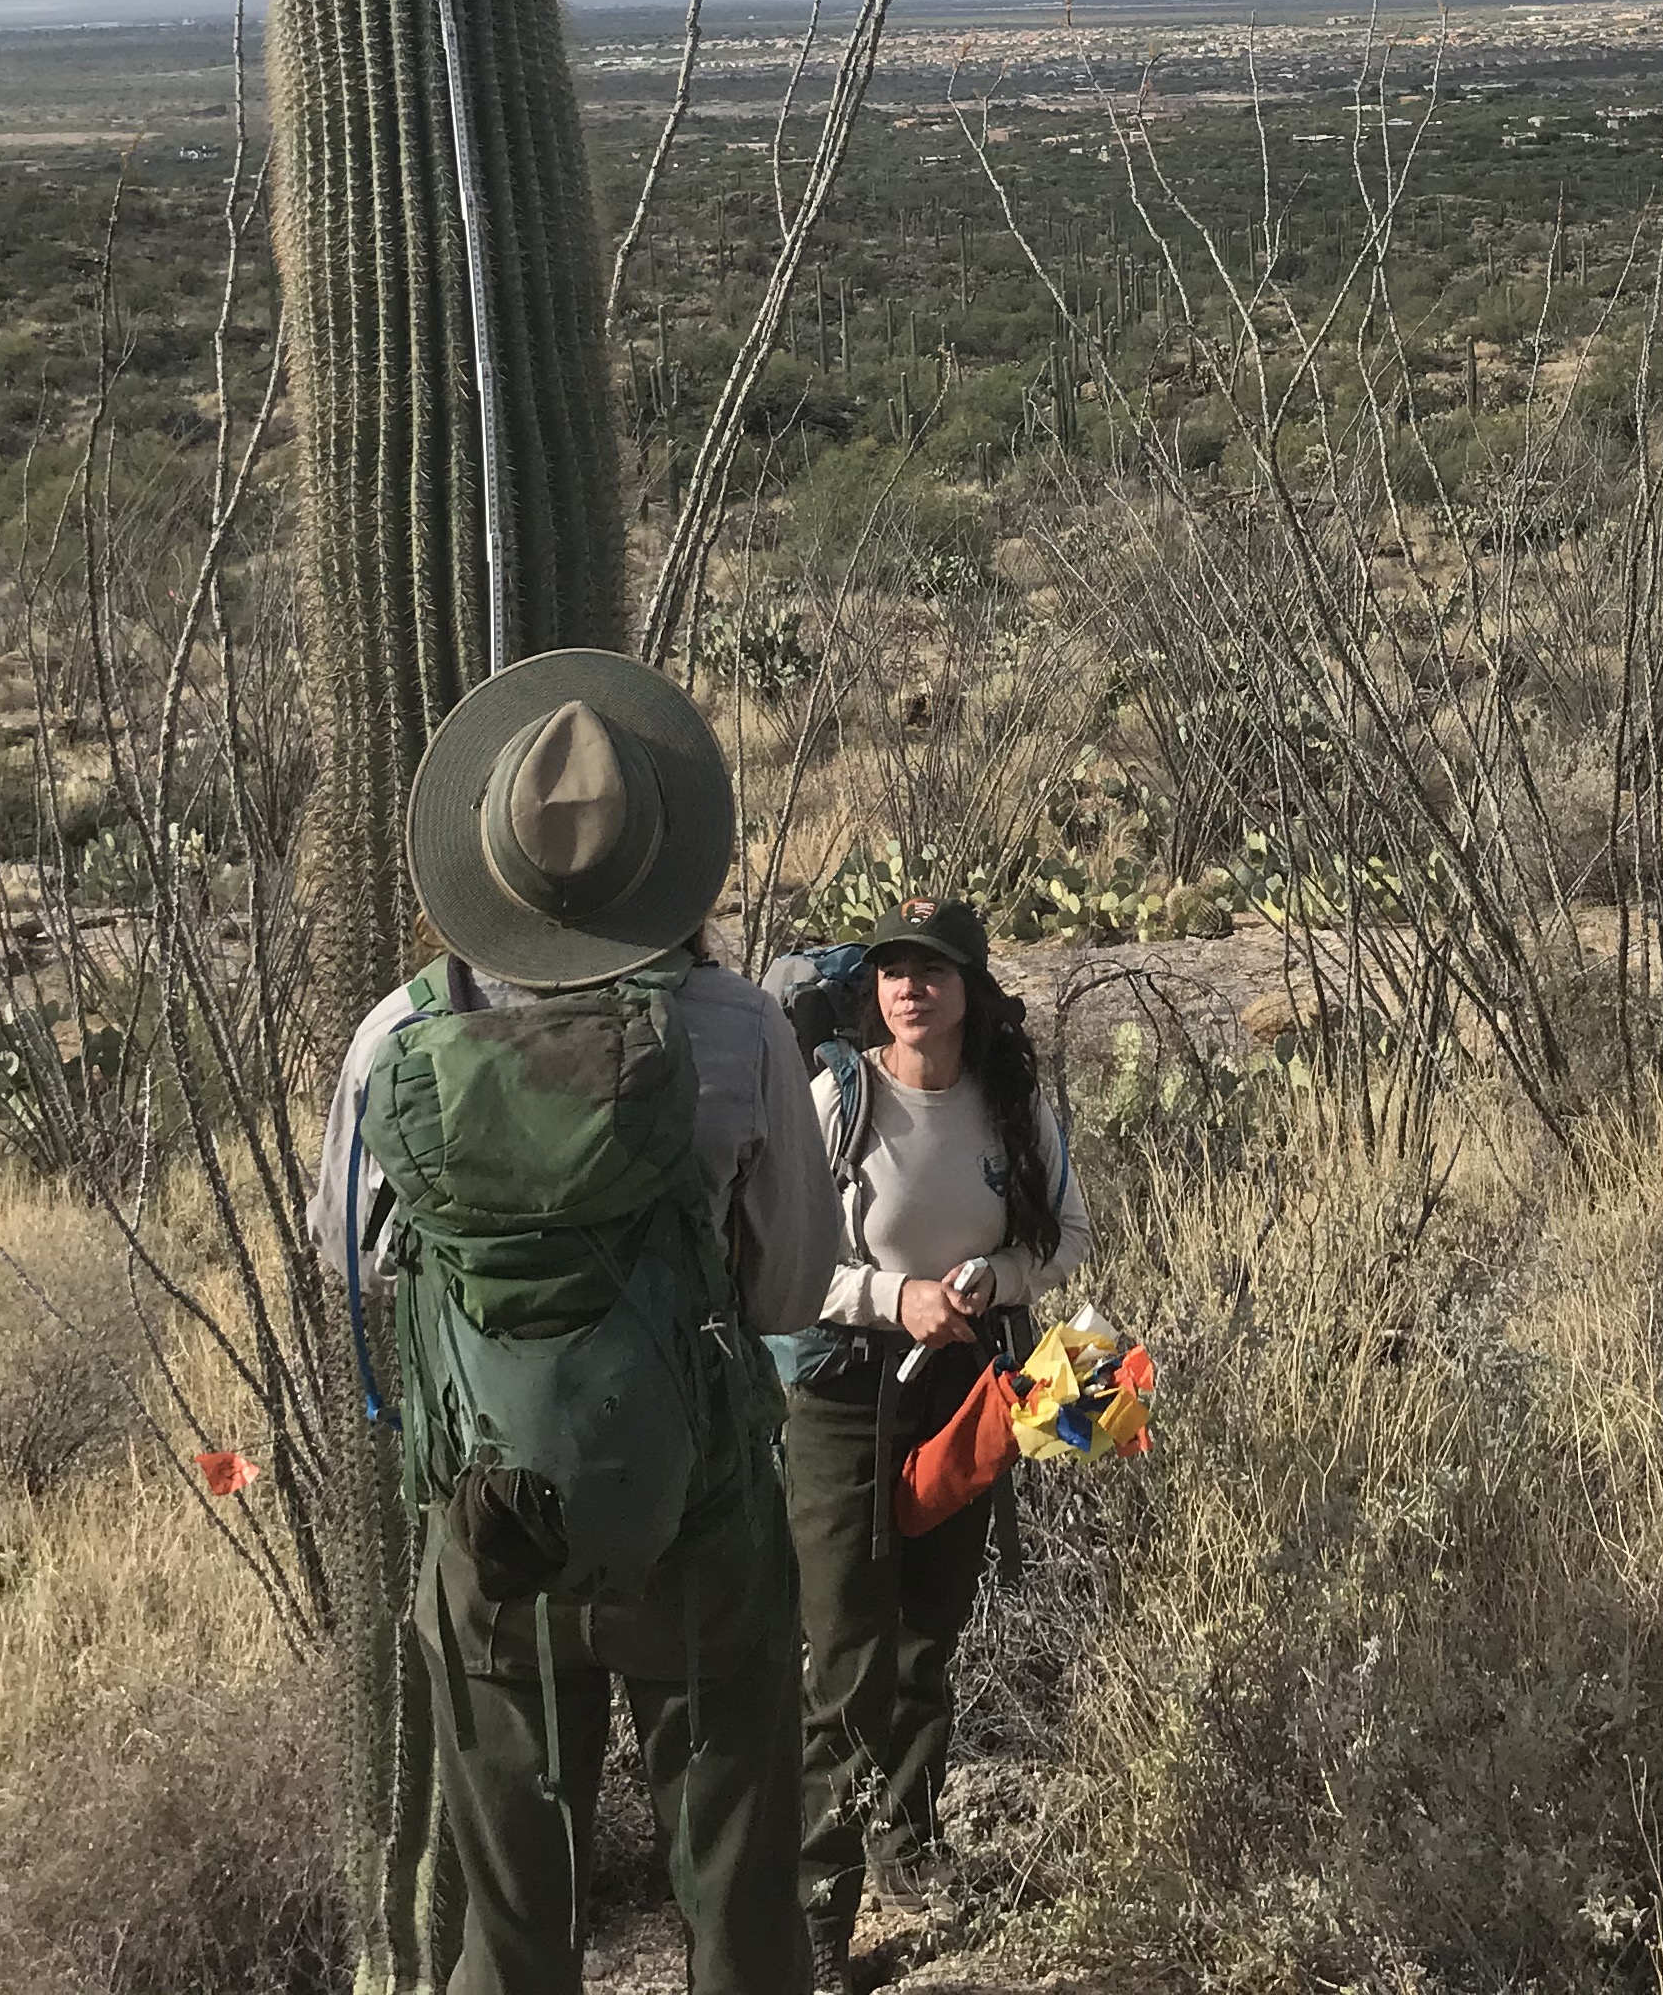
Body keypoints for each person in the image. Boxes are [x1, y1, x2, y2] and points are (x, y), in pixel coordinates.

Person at [308, 651, 841, 1995]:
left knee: (511, 1924)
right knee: (738, 1903)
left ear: (489, 863)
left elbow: (355, 1263)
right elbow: (788, 1293)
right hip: (699, 1529)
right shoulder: (737, 1030)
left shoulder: (397, 1037)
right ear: (661, 861)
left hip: (492, 1531)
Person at [782, 896, 1089, 1989]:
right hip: (846, 1402)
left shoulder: (1010, 1108)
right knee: (848, 1660)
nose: (912, 985)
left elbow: (1068, 1236)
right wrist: (889, 1296)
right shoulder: (838, 1098)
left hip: (972, 1393)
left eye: (934, 969)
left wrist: (996, 1281)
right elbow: (779, 1262)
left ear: (972, 990)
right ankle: (819, 1916)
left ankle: (909, 1850)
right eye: (894, 969)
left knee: (927, 1637)